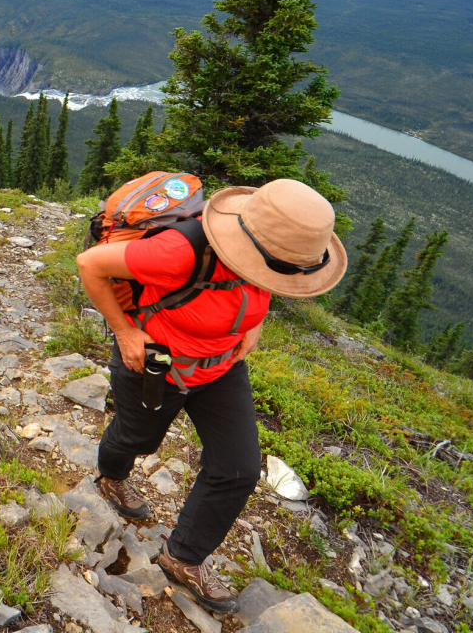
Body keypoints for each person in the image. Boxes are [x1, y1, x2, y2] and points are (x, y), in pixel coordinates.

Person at [75, 179, 347, 613]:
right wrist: (126, 333)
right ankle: (112, 476)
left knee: (238, 468)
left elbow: (260, 280)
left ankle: (182, 556)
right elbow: (90, 263)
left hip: (222, 369)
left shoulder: (272, 255)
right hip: (156, 365)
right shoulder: (178, 251)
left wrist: (252, 323)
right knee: (138, 439)